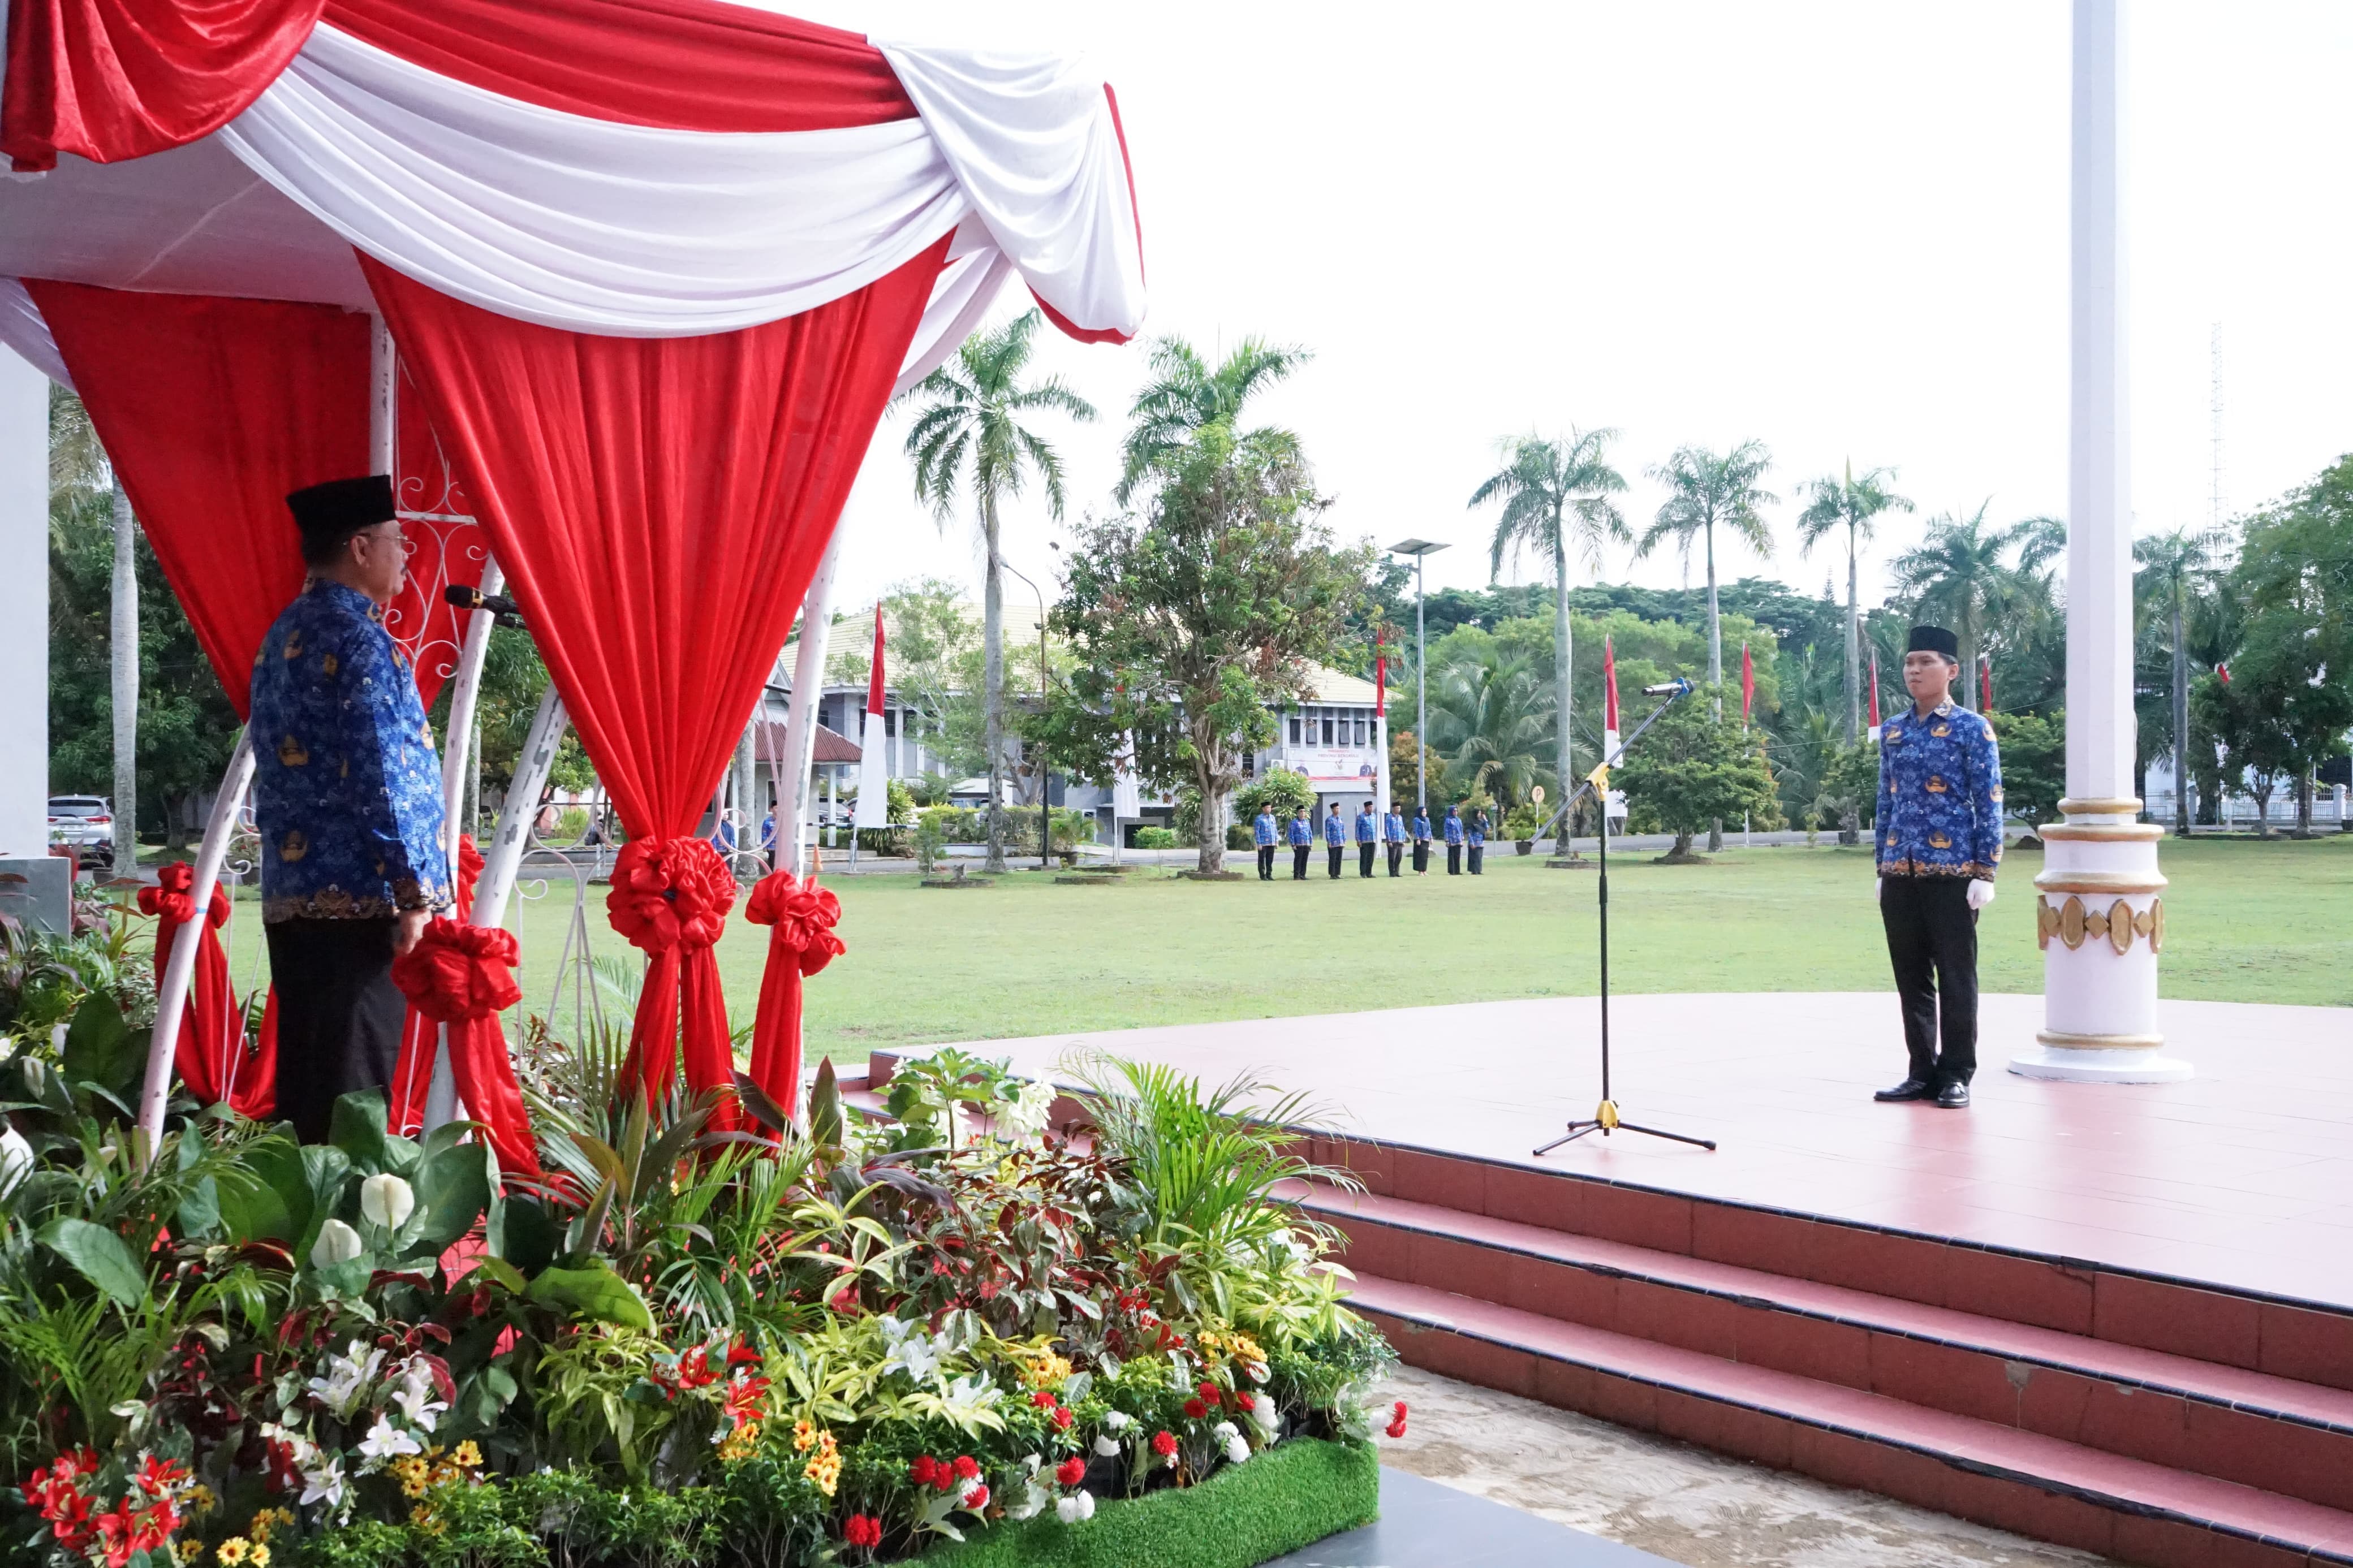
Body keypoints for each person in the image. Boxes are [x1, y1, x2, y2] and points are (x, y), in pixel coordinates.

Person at [249, 476, 452, 1143]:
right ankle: (345, 1237)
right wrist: (413, 889)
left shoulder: (283, 633)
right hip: (361, 897)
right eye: (398, 542)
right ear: (360, 548)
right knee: (355, 1088)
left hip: (294, 894)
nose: (408, 556)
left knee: (308, 1077)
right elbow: (382, 771)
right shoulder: (359, 640)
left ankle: (299, 1225)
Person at [1872, 625, 2002, 1112]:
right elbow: (1886, 799)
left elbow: (1989, 803)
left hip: (1953, 872)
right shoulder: (1895, 730)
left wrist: (1985, 872)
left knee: (1956, 976)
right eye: (1909, 662)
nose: (1913, 670)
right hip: (1901, 871)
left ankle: (1956, 1073)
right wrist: (1881, 867)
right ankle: (1921, 1070)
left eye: (1925, 661)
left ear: (1951, 670)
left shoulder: (1973, 728)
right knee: (1911, 977)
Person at [1253, 802, 1279, 880]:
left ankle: (1269, 874)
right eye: (1267, 808)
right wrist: (1259, 843)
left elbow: (1275, 830)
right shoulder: (1259, 819)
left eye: (1270, 808)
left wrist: (1277, 841)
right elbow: (1257, 832)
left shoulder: (1272, 818)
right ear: (1263, 809)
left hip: (1272, 842)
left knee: (1270, 859)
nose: (1269, 809)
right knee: (1262, 859)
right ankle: (1262, 875)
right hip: (1263, 843)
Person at [1288, 806, 1313, 880]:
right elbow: (1291, 834)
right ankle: (1297, 875)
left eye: (1304, 811)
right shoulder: (1294, 822)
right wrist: (1293, 844)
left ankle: (1303, 875)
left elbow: (1310, 833)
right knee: (1298, 860)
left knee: (1304, 860)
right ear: (1298, 813)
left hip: (1306, 844)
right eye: (1301, 812)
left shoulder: (1307, 822)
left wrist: (1311, 843)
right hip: (1298, 844)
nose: (1303, 813)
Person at [1354, 800, 1378, 878]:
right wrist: (1358, 840)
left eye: (1372, 807)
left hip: (1373, 840)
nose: (1371, 808)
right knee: (1364, 857)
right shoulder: (1361, 817)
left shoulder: (1374, 816)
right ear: (1366, 808)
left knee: (1371, 857)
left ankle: (1369, 873)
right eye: (1370, 807)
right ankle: (1363, 873)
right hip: (1364, 840)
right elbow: (1357, 829)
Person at [1323, 801, 1347, 879]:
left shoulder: (1340, 819)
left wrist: (1344, 839)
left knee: (1339, 858)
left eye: (1339, 808)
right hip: (1333, 842)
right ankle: (1332, 874)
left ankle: (1337, 873)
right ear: (1333, 810)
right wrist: (1329, 842)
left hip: (1340, 842)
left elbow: (1343, 830)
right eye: (1336, 808)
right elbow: (1328, 831)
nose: (1338, 810)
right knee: (1333, 858)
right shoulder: (1329, 820)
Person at [1384, 804, 1407, 877]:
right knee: (1392, 858)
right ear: (1393, 809)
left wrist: (1403, 840)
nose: (1399, 810)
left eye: (1399, 808)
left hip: (1400, 840)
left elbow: (1402, 828)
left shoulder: (1400, 817)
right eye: (1397, 808)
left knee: (1399, 857)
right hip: (1392, 841)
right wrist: (1389, 841)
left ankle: (1397, 872)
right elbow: (1387, 828)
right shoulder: (1389, 817)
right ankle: (1392, 872)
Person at [1443, 804, 1464, 875]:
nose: (1456, 812)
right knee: (1451, 856)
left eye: (1456, 811)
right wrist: (1447, 840)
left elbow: (1461, 830)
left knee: (1457, 856)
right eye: (1454, 811)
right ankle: (1452, 871)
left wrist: (1462, 839)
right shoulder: (1448, 820)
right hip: (1451, 840)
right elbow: (1446, 830)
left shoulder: (1458, 820)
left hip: (1458, 840)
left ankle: (1457, 871)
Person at [1467, 807, 1488, 875]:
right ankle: (1474, 871)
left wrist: (1485, 820)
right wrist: (1472, 843)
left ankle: (1479, 870)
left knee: (1479, 857)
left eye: (1480, 813)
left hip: (1480, 841)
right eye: (1478, 813)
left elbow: (1486, 828)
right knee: (1474, 857)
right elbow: (1470, 833)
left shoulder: (1481, 821)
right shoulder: (1471, 822)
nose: (1480, 814)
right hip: (1474, 842)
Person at [1412, 806, 1432, 874]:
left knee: (1425, 856)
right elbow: (1416, 830)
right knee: (1420, 856)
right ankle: (1420, 871)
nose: (1425, 813)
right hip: (1420, 840)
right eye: (1423, 811)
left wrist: (1431, 838)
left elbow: (1429, 829)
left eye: (1425, 811)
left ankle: (1424, 870)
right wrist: (1418, 839)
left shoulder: (1427, 819)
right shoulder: (1417, 819)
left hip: (1426, 839)